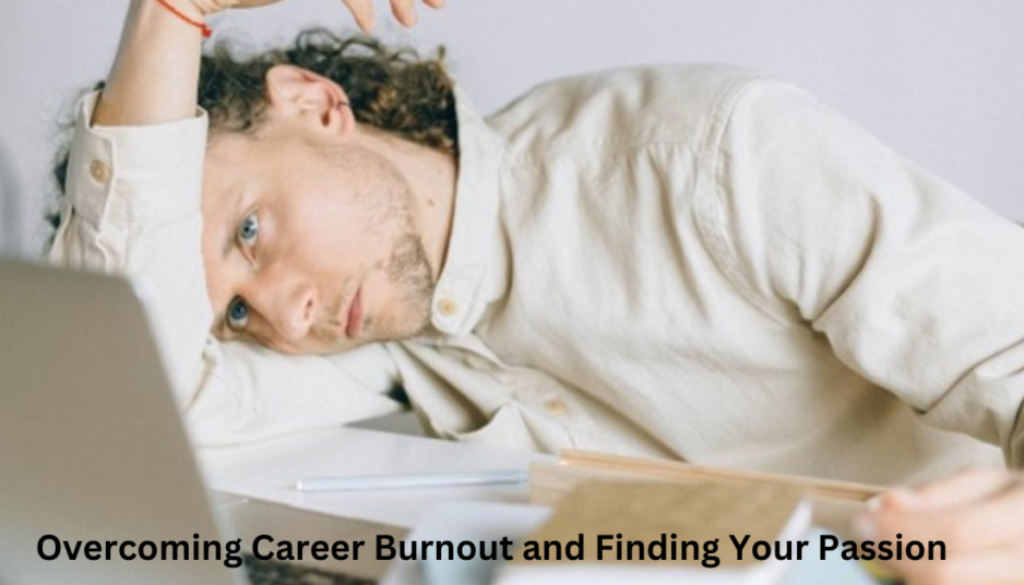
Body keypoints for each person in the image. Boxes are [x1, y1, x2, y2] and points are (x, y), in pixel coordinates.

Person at [49, 0, 1024, 582]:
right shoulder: (388, 343)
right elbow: (120, 412)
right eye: (236, 312)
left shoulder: (705, 159)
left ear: (315, 103)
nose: (287, 312)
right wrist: (168, 16)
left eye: (250, 231)